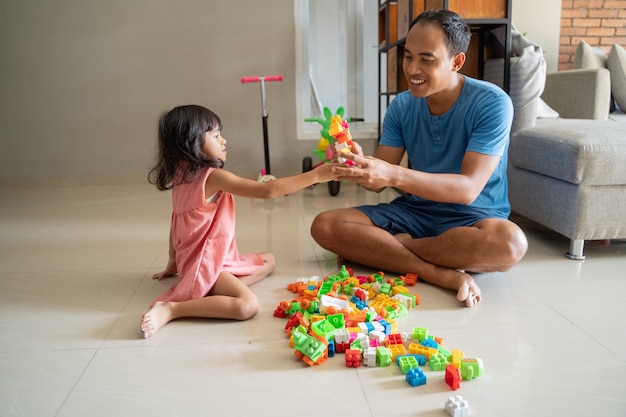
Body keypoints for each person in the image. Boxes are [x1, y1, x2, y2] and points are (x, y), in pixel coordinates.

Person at [311, 10, 528, 307]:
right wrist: (361, 166)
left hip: (475, 218)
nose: (412, 69)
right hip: (416, 213)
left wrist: (392, 176)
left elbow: (467, 190)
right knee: (325, 225)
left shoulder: (492, 103)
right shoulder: (401, 106)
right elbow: (376, 184)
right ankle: (438, 272)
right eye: (407, 56)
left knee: (510, 243)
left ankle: (400, 250)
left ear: (457, 61)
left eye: (426, 59)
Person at [141, 104, 337, 338]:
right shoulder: (214, 177)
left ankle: (211, 289)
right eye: (215, 136)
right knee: (248, 305)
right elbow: (268, 191)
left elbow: (176, 223)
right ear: (191, 143)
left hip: (198, 261)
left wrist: (173, 262)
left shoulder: (181, 177)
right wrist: (317, 175)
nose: (224, 141)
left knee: (269, 260)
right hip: (205, 265)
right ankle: (174, 309)